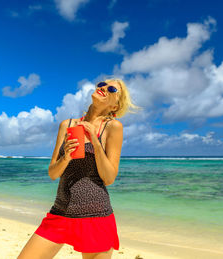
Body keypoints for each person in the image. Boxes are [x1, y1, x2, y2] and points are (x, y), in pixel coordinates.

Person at [18, 78, 139, 259]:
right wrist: (66, 156)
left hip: (96, 216)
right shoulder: (67, 125)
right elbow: (53, 173)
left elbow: (109, 178)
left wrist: (95, 142)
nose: (103, 87)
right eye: (101, 84)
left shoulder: (113, 127)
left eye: (112, 88)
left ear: (115, 106)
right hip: (60, 212)